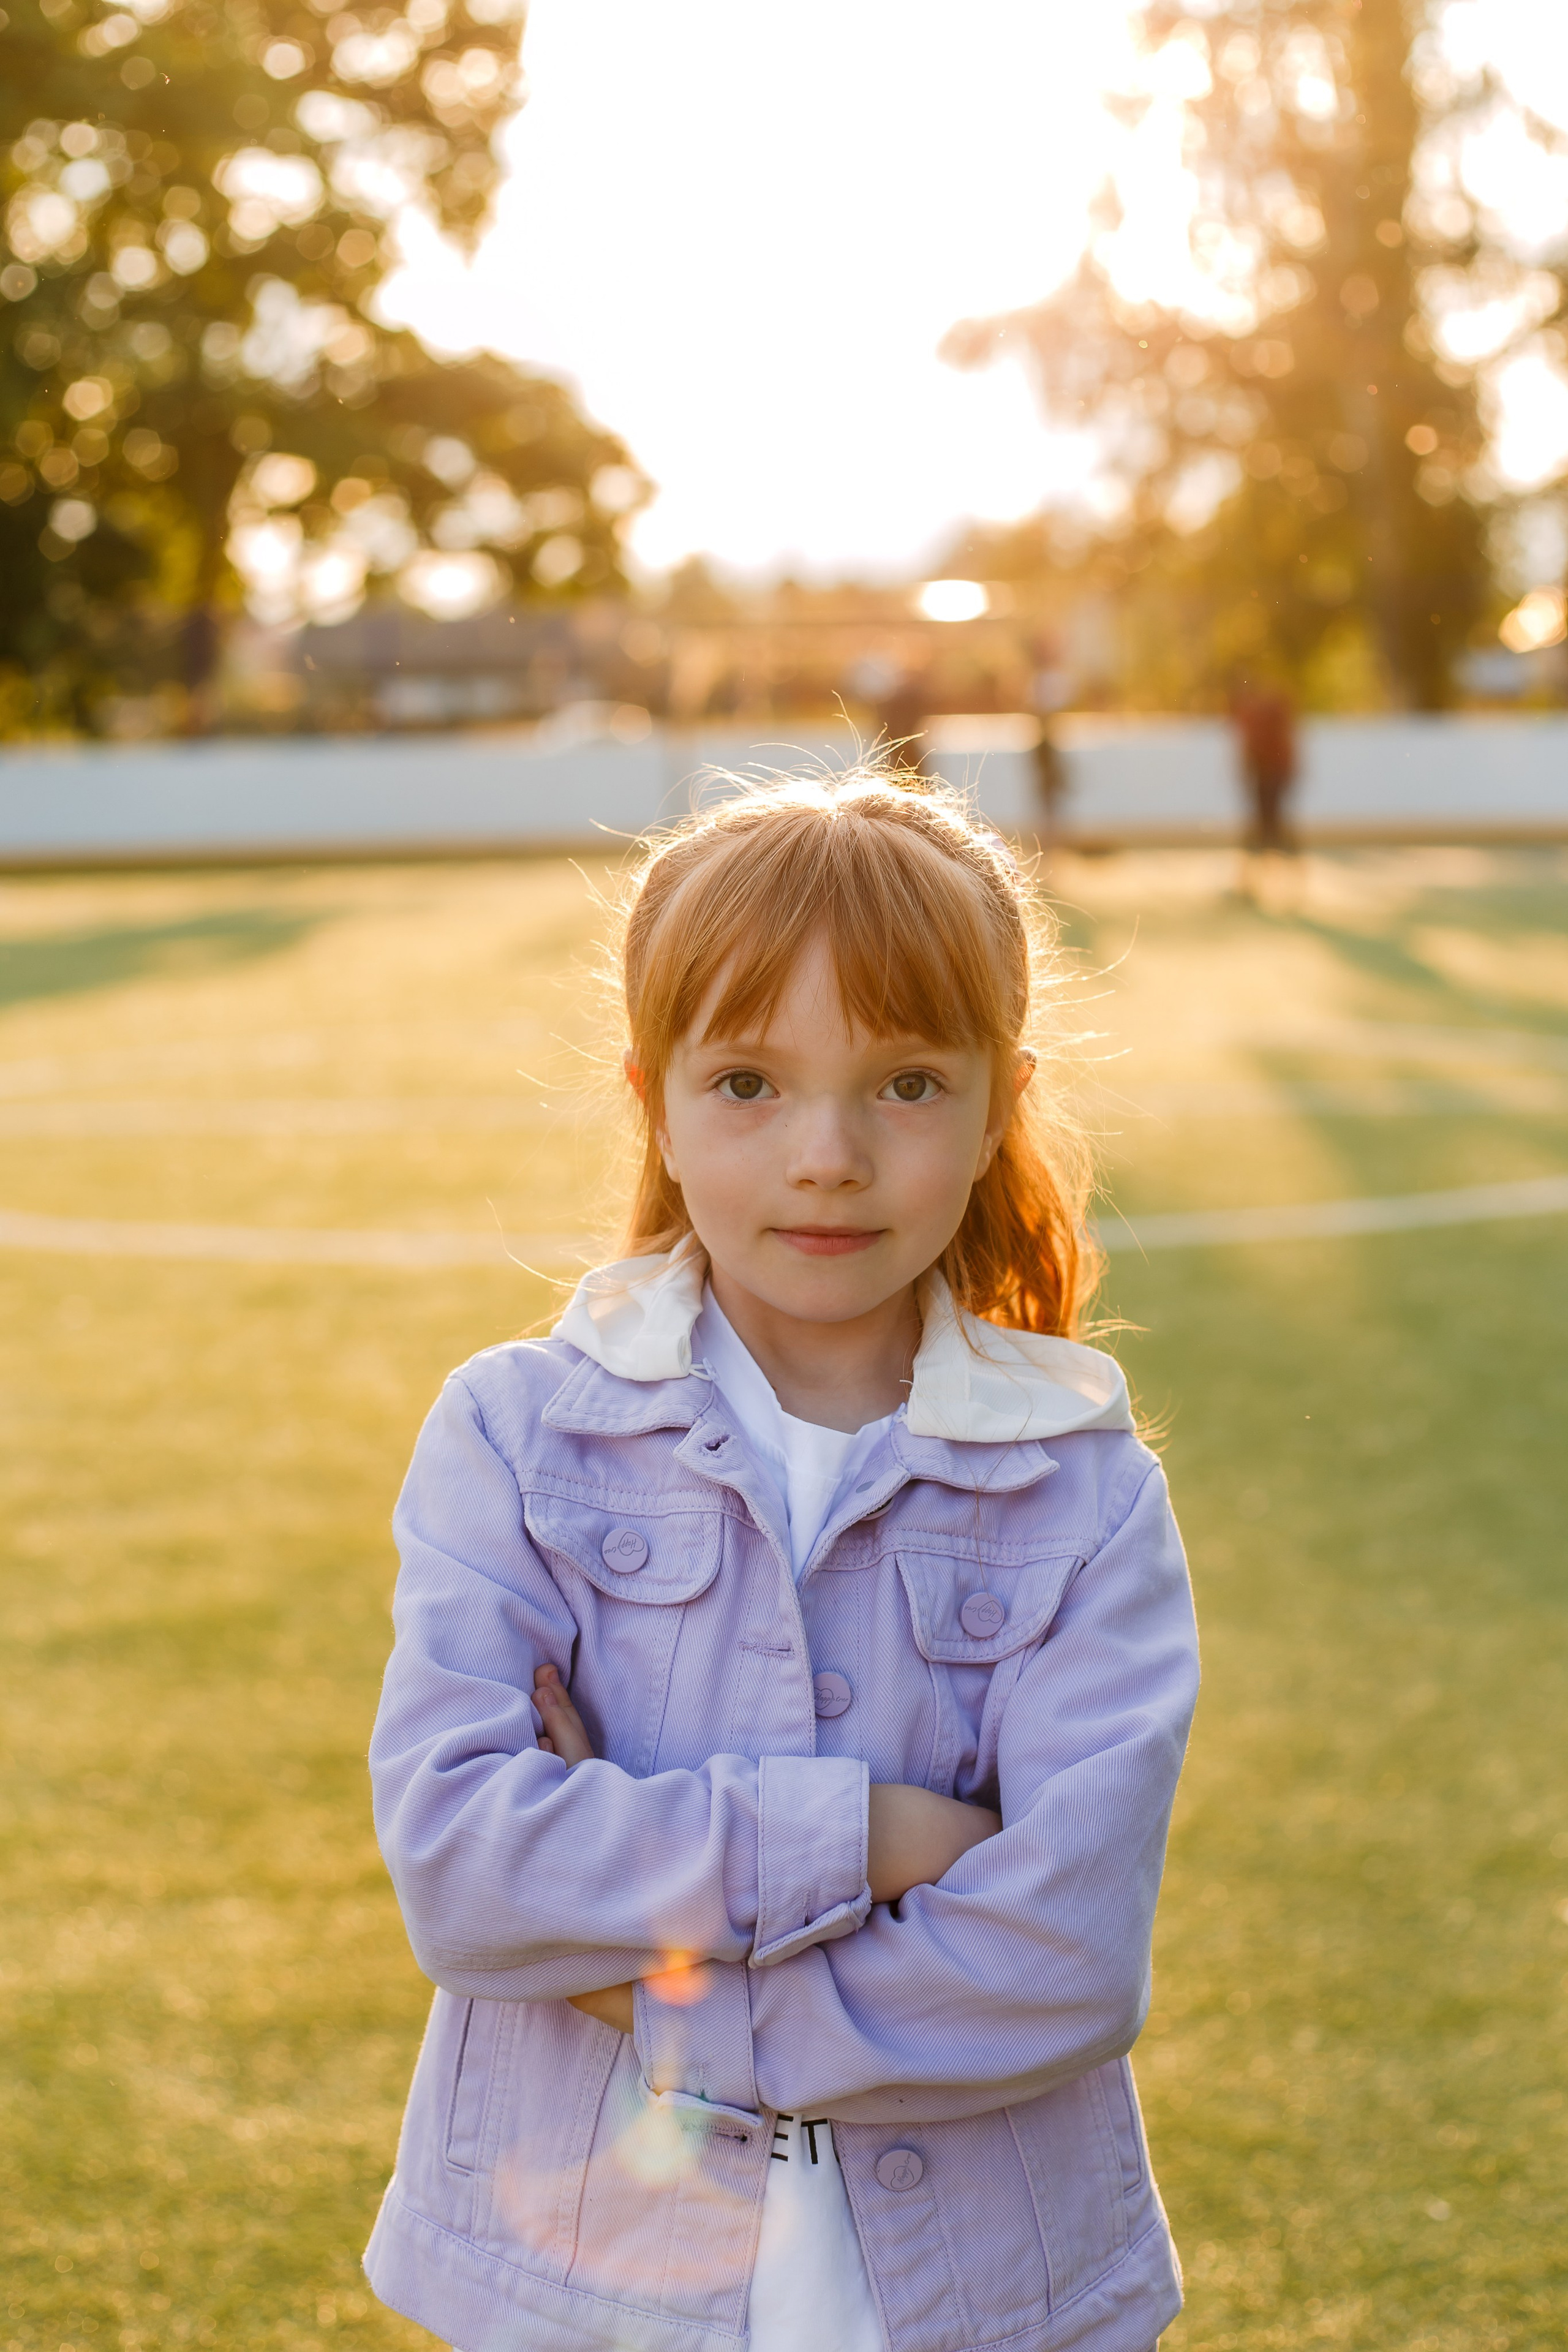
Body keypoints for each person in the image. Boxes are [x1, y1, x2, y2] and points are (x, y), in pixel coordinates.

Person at [363, 767, 1200, 2352]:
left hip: (985, 2296)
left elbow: (1063, 1958)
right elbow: (467, 1867)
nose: (826, 1154)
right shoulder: (516, 1438)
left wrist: (670, 2004)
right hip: (586, 2293)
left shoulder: (1084, 1493)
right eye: (747, 1082)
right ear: (654, 1104)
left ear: (999, 1106)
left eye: (906, 1083)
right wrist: (869, 1837)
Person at [1229, 680, 1299, 884]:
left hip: (1270, 776)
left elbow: (1254, 748)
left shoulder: (1259, 714)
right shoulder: (1259, 713)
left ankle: (1251, 879)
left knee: (1268, 827)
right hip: (1266, 776)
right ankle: (1252, 878)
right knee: (1268, 826)